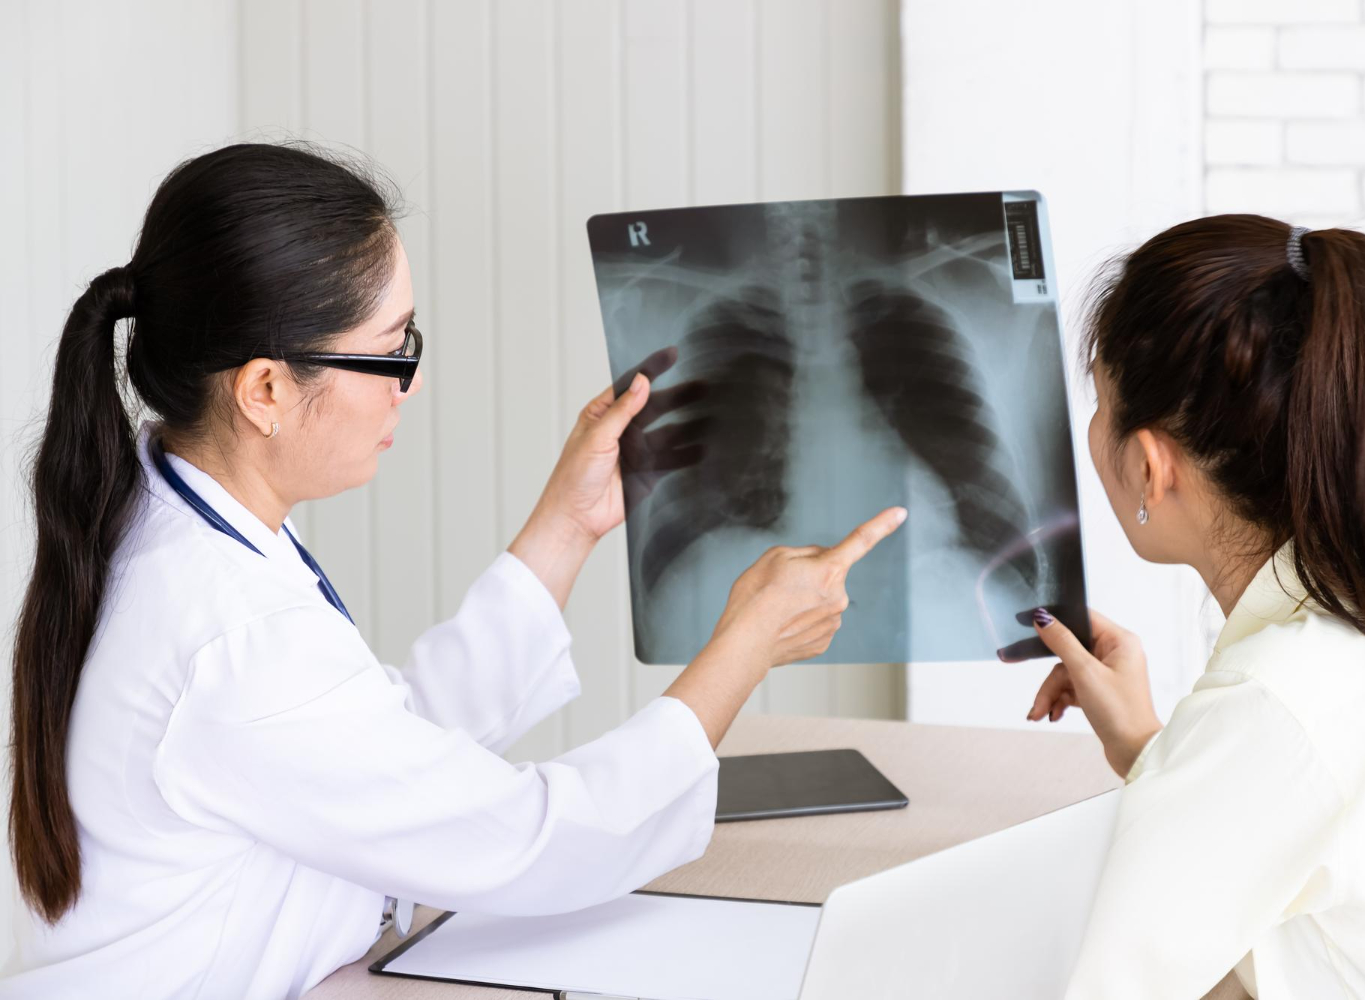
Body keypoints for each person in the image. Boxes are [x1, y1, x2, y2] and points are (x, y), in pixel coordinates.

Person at [1, 142, 906, 999]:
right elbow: (535, 842)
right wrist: (746, 647)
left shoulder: (168, 513)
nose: (412, 382)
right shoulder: (235, 637)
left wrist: (568, 525)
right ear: (266, 390)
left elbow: (375, 746)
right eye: (393, 349)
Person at [1008, 216, 1365, 998]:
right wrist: (1149, 751)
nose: (1090, 430)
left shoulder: (1276, 699)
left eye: (1100, 402)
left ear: (1149, 467)